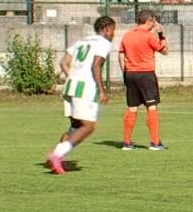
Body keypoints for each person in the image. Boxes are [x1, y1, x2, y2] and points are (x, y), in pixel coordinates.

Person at [47, 16, 117, 174]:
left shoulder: (81, 41)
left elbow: (64, 62)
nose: (113, 34)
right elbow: (96, 65)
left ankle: (56, 159)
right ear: (106, 29)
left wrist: (73, 77)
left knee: (75, 127)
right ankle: (57, 154)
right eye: (113, 30)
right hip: (84, 88)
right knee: (88, 127)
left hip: (70, 86)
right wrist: (101, 90)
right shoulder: (103, 43)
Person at [119, 9, 169, 150]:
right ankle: (155, 142)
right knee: (151, 106)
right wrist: (161, 34)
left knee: (132, 107)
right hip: (146, 74)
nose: (154, 24)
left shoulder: (127, 35)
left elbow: (121, 55)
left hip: (130, 74)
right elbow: (164, 50)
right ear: (149, 21)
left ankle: (127, 143)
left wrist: (125, 72)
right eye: (154, 21)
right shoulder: (149, 36)